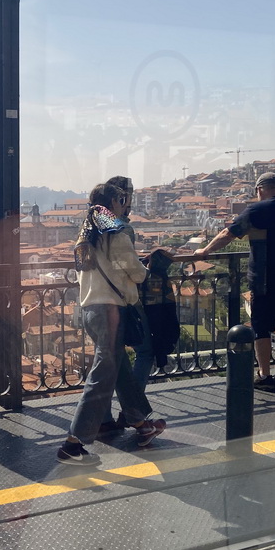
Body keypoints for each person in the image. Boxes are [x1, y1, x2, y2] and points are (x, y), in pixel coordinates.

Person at [58, 183, 166, 465]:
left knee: (119, 370)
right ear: (115, 202)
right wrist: (146, 266)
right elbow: (137, 274)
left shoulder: (86, 235)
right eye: (122, 201)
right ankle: (72, 443)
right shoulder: (114, 233)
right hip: (111, 311)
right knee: (102, 376)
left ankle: (142, 425)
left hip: (90, 310)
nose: (124, 206)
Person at [193, 172, 275, 396]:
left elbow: (228, 233)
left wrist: (205, 250)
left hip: (266, 279)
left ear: (259, 190)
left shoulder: (257, 210)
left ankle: (264, 376)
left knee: (261, 328)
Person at [99, 175, 166, 434]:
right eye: (128, 196)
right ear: (121, 198)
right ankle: (132, 413)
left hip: (96, 301)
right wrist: (142, 268)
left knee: (106, 361)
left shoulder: (92, 225)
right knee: (144, 351)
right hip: (122, 299)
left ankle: (104, 419)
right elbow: (128, 269)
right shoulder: (121, 228)